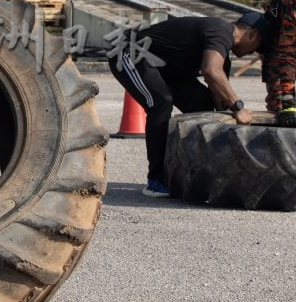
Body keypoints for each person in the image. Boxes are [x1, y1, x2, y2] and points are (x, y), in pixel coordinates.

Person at [107, 12, 268, 198]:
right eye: (258, 47)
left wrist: (226, 120)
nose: (253, 53)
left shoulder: (223, 52)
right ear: (252, 34)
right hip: (130, 54)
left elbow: (218, 95)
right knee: (160, 103)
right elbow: (211, 71)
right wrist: (238, 108)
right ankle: (156, 180)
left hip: (166, 68)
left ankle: (196, 172)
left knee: (202, 106)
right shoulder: (220, 30)